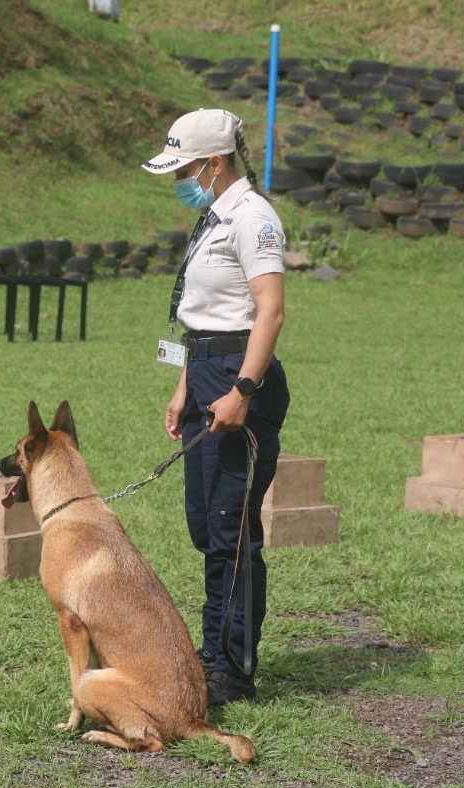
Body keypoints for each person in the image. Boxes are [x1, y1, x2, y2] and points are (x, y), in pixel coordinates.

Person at [141, 108, 289, 706]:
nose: (181, 178)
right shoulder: (213, 216)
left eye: (185, 167)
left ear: (215, 163)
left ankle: (229, 665)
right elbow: (199, 315)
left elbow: (269, 310)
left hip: (237, 377)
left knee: (230, 528)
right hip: (205, 370)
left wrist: (243, 392)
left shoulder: (254, 219)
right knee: (205, 523)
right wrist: (185, 384)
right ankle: (215, 649)